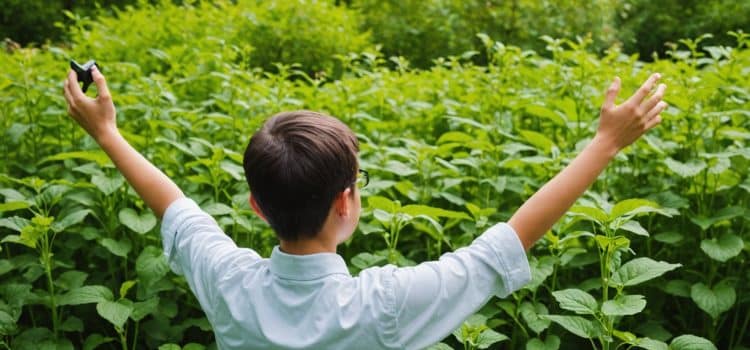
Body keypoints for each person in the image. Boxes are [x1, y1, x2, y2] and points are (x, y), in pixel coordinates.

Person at [62, 65, 667, 349]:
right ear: (347, 201)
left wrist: (108, 133)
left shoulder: (228, 285)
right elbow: (503, 246)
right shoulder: (383, 306)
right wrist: (607, 142)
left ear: (255, 205)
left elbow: (173, 208)